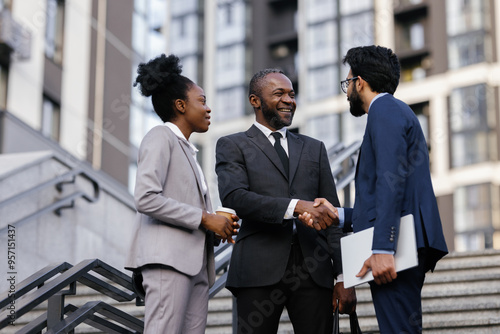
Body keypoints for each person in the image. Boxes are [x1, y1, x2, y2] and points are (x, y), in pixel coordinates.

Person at [301, 45, 448, 333]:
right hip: (403, 241)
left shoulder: (384, 110)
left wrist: (383, 247)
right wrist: (339, 215)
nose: (347, 92)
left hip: (396, 246)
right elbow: (388, 195)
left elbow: (389, 182)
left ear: (360, 82)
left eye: (348, 83)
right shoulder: (393, 112)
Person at [215, 68, 356, 334]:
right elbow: (235, 197)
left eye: (292, 94)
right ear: (255, 100)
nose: (289, 100)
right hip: (258, 269)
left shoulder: (315, 148)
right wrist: (295, 207)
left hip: (314, 270)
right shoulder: (232, 145)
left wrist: (342, 276)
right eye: (279, 93)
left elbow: (332, 216)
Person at [125, 54, 238, 334]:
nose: (208, 108)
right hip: (168, 262)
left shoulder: (186, 149)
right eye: (202, 101)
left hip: (196, 265)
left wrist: (214, 226)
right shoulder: (160, 137)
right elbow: (146, 198)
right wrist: (203, 218)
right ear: (180, 105)